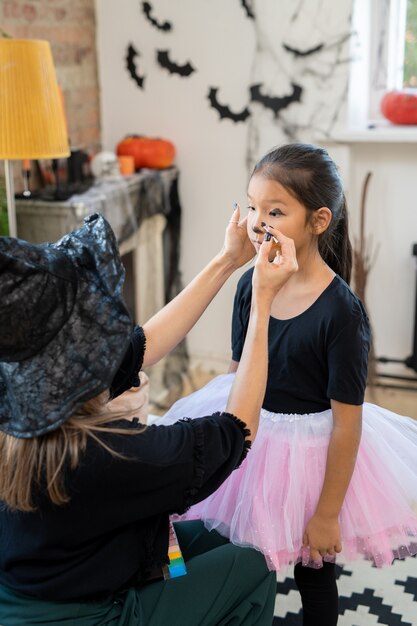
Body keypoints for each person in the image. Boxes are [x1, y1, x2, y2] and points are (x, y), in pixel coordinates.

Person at [158, 143, 417, 626]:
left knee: (314, 573)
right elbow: (239, 376)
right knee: (220, 548)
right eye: (253, 206)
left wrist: (327, 513)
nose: (258, 221)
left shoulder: (341, 312)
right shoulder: (248, 284)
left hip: (309, 457)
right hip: (247, 436)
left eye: (274, 211)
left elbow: (346, 425)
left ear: (318, 221)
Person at [0, 211, 298, 626]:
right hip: (83, 615)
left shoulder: (23, 400)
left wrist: (228, 259)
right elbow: (237, 431)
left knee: (218, 536)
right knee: (253, 565)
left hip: (29, 586)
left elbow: (142, 345)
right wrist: (262, 305)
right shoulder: (111, 454)